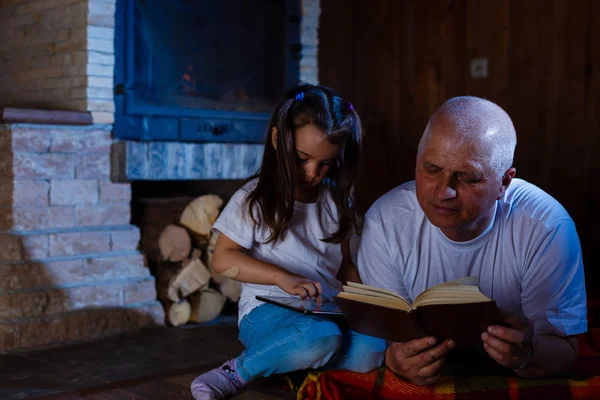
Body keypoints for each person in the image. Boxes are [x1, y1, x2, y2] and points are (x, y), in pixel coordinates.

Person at [357, 96, 587, 385]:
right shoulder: (384, 223)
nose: (444, 192)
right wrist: (395, 358)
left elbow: (566, 351)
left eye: (467, 178)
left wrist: (528, 352)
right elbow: (385, 340)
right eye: (432, 169)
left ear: (504, 182)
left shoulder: (547, 227)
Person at [190, 84, 386, 399]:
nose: (313, 173)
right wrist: (282, 277)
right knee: (319, 338)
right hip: (268, 313)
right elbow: (223, 259)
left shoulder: (337, 202)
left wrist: (373, 309)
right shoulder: (253, 199)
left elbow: (347, 266)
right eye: (302, 158)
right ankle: (236, 371)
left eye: (325, 163)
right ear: (278, 141)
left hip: (326, 314)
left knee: (373, 348)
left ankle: (291, 367)